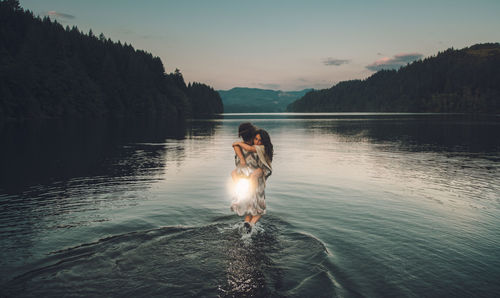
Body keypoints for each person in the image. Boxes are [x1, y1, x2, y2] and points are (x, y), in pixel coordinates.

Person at [231, 127, 273, 232]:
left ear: (264, 142)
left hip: (257, 181)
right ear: (253, 138)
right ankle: (249, 225)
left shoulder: (261, 148)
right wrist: (241, 156)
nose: (258, 142)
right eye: (256, 139)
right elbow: (235, 146)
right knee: (257, 210)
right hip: (253, 182)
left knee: (255, 208)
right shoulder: (251, 147)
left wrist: (239, 144)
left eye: (260, 140)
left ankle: (248, 225)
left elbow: (248, 148)